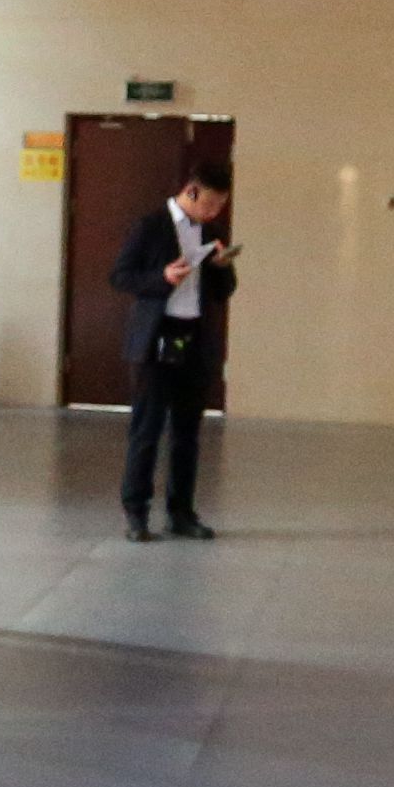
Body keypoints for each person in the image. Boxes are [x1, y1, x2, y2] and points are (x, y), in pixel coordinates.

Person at [112, 161, 240, 541]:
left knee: (187, 432)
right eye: (210, 203)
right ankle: (136, 512)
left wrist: (221, 267)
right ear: (191, 191)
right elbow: (121, 276)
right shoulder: (150, 226)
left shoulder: (211, 232)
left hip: (195, 336)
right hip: (157, 336)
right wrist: (162, 277)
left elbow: (224, 291)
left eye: (221, 206)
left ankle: (181, 512)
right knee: (147, 428)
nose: (214, 212)